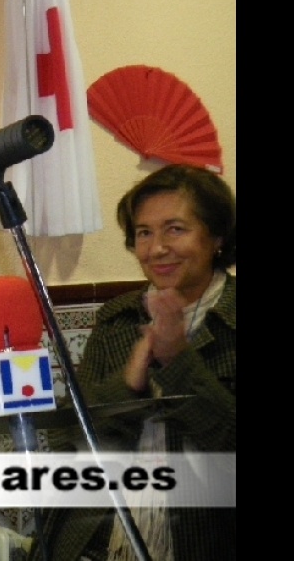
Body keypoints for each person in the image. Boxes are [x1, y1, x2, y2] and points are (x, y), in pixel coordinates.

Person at [40, 164, 236, 561]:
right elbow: (68, 445)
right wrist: (128, 384)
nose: (157, 248)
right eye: (144, 232)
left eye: (175, 229)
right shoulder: (119, 320)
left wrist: (178, 359)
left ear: (216, 237)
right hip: (100, 542)